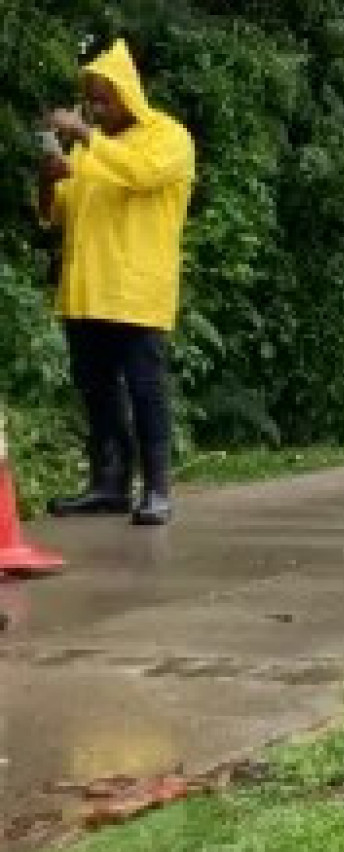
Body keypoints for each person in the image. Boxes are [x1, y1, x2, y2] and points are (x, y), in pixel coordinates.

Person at [34, 40, 195, 527]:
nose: (95, 107)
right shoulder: (91, 148)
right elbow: (55, 214)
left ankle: (158, 489)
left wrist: (85, 134)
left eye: (103, 98)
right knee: (96, 390)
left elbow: (141, 176)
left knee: (145, 388)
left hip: (135, 290)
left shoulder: (166, 136)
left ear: (128, 93)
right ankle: (109, 484)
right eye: (90, 100)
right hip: (86, 290)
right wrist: (48, 179)